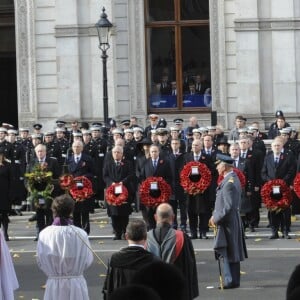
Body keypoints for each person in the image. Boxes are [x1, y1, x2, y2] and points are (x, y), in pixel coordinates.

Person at [37, 194, 93, 300]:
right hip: (76, 284)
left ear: (53, 211)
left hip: (54, 284)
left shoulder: (44, 234)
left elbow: (40, 260)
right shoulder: (81, 233)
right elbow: (87, 260)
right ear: (71, 211)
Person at [209, 154, 248, 289]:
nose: (217, 168)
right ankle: (233, 280)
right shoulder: (231, 179)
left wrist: (216, 217)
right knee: (233, 251)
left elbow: (228, 206)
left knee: (227, 251)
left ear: (224, 166)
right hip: (230, 221)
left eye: (218, 165)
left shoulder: (229, 183)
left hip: (227, 222)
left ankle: (229, 280)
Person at [146, 203, 199, 300]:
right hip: (176, 291)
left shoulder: (146, 238)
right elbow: (189, 266)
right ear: (173, 217)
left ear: (155, 217)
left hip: (152, 290)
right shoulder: (182, 238)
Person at [102, 219, 157, 299]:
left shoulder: (115, 259)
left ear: (126, 236)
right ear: (146, 236)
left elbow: (108, 288)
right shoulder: (153, 260)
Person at [261, 137, 296, 239]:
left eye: (278, 145)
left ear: (282, 147)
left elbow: (291, 170)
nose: (277, 147)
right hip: (271, 189)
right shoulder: (268, 158)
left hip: (284, 188)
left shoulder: (287, 157)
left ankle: (285, 231)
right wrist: (270, 182)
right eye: (275, 145)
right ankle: (274, 231)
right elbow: (263, 172)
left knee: (285, 210)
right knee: (272, 210)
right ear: (271, 147)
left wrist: (282, 182)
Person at [26, 144, 61, 241]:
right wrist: (29, 187)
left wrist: (51, 184)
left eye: (42, 151)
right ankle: (39, 234)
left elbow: (58, 178)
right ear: (35, 152)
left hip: (49, 193)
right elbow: (27, 179)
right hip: (37, 193)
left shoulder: (52, 162)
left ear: (45, 152)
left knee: (49, 213)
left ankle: (49, 234)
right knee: (39, 214)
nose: (40, 153)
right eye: (38, 151)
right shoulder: (32, 162)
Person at [103, 145, 135, 240]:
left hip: (124, 190)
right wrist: (112, 183)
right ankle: (117, 233)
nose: (116, 154)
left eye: (118, 152)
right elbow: (105, 176)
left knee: (124, 213)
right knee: (114, 213)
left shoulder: (128, 164)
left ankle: (125, 232)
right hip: (112, 192)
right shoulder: (108, 164)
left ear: (122, 154)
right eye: (114, 152)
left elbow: (131, 175)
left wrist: (122, 182)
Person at [67, 140, 95, 234]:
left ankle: (86, 231)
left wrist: (84, 177)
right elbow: (68, 172)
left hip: (84, 187)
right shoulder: (69, 159)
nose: (76, 148)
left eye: (78, 146)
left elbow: (93, 172)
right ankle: (77, 230)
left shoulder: (88, 158)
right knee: (75, 210)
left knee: (85, 210)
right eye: (74, 146)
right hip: (73, 188)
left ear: (82, 148)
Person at [0, 147, 13, 241]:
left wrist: (10, 194)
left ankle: (5, 233)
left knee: (4, 214)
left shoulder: (7, 165)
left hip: (4, 193)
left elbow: (11, 180)